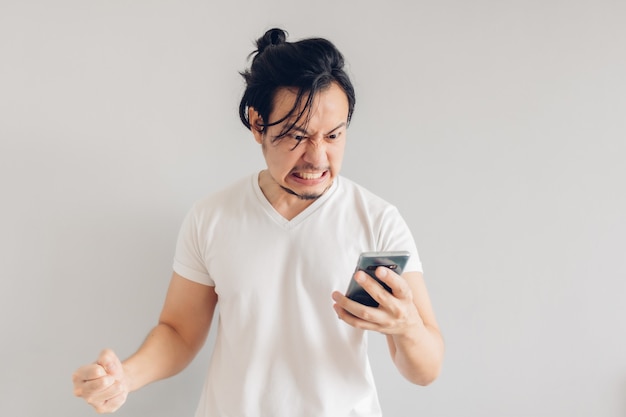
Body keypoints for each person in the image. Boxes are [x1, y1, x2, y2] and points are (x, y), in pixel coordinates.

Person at [72, 28, 444, 416]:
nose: (317, 159)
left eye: (333, 135)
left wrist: (408, 329)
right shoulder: (212, 216)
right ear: (257, 125)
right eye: (296, 137)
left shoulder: (378, 221)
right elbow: (179, 333)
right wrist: (124, 378)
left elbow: (426, 370)